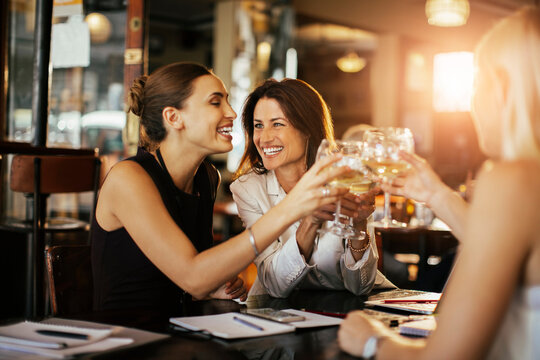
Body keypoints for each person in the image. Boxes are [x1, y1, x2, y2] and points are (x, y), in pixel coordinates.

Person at [338, 6, 540, 359]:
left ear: (504, 89)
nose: (473, 102)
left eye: (477, 83)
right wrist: (436, 194)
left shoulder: (512, 180)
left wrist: (371, 340)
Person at [91, 62, 351, 315]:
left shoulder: (206, 177)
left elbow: (194, 278)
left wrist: (213, 286)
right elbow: (193, 276)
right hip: (127, 337)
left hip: (184, 329)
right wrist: (292, 208)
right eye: (216, 102)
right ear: (173, 117)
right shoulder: (129, 178)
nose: (233, 113)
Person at [231, 78, 392, 298]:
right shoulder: (248, 189)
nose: (264, 138)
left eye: (277, 124)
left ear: (307, 128)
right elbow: (274, 285)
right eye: (258, 125)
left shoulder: (345, 176)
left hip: (347, 310)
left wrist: (359, 225)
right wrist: (310, 221)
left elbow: (361, 286)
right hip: (277, 312)